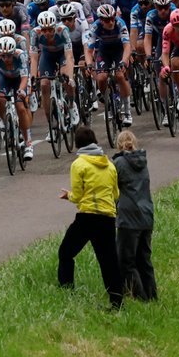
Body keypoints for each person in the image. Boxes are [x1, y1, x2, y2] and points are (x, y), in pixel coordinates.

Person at [56, 124, 123, 309]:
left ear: (78, 145)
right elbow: (116, 194)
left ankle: (66, 292)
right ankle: (117, 302)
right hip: (108, 218)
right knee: (109, 262)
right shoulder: (109, 165)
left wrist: (67, 195)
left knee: (66, 253)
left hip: (87, 218)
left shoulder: (79, 164)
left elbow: (77, 196)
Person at [111, 130, 155, 301]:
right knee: (144, 260)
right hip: (146, 214)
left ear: (118, 144)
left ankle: (139, 296)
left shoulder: (119, 163)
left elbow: (112, 188)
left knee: (126, 261)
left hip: (128, 217)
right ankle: (152, 295)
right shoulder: (143, 161)